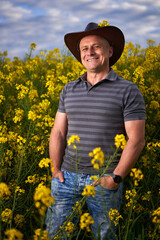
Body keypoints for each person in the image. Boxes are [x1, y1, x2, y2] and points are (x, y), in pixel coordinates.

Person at [46, 22, 146, 239]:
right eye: (84, 48)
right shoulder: (69, 88)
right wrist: (55, 170)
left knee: (104, 236)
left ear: (110, 51)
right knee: (57, 235)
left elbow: (136, 140)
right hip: (65, 179)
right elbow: (58, 132)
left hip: (104, 181)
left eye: (96, 47)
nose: (89, 52)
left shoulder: (128, 90)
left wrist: (115, 178)